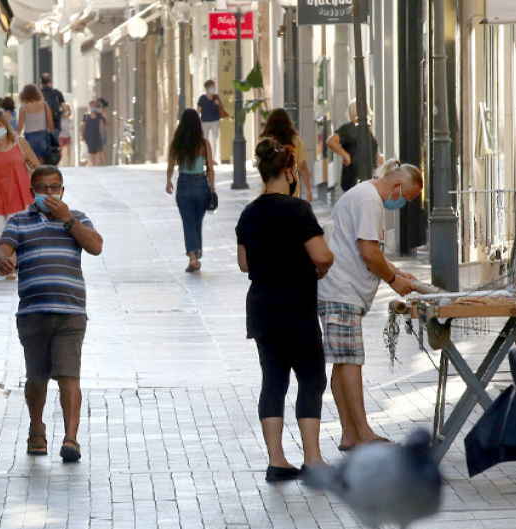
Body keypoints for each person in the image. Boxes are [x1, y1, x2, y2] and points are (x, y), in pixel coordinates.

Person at [236, 138, 334, 483]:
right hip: (296, 308)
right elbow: (322, 256)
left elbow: (244, 263)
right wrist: (317, 264)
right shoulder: (297, 210)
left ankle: (276, 460)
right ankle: (313, 458)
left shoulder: (250, 212)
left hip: (263, 310)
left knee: (273, 381)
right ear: (290, 171)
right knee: (311, 378)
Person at [0, 165, 103, 462]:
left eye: (54, 188)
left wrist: (67, 219)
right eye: (42, 188)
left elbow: (95, 246)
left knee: (69, 375)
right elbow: (1, 249)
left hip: (70, 311)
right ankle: (36, 428)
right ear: (32, 193)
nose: (49, 193)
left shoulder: (77, 218)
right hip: (33, 312)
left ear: (62, 191)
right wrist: (3, 259)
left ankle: (71, 438)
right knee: (36, 376)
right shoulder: (19, 221)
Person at [317, 160, 423, 451]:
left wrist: (397, 271)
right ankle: (362, 432)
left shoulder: (364, 195)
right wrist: (393, 280)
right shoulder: (369, 200)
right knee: (351, 360)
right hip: (342, 291)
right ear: (397, 186)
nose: (402, 203)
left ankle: (350, 433)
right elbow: (368, 252)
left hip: (341, 291)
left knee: (343, 361)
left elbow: (370, 248)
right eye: (406, 197)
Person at [0, 111, 41, 268]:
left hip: (18, 192)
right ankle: (12, 260)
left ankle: (12, 264)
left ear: (6, 126)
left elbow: (37, 164)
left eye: (0, 125)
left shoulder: (20, 143)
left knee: (15, 232)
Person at [165, 108, 215, 273]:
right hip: (201, 185)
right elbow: (209, 168)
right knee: (197, 222)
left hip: (184, 184)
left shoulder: (177, 143)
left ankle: (193, 257)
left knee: (188, 222)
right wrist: (212, 187)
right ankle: (195, 255)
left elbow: (171, 165)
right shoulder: (203, 144)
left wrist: (168, 182)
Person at [326, 100, 383, 192]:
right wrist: (345, 155)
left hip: (368, 177)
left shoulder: (365, 129)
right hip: (355, 178)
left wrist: (378, 156)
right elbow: (331, 141)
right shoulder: (349, 129)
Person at [262, 108, 314, 204]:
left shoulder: (266, 142)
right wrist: (308, 190)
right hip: (290, 187)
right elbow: (303, 167)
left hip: (270, 188)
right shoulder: (296, 141)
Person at [17, 84, 54, 164]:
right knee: (42, 158)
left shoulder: (23, 108)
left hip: (29, 136)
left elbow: (20, 126)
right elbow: (50, 122)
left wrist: (16, 137)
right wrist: (51, 132)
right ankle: (42, 174)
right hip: (42, 134)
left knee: (31, 159)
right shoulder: (44, 105)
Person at [196, 80, 226, 163]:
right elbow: (199, 109)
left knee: (214, 139)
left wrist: (218, 104)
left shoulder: (216, 97)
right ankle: (205, 157)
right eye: (211, 87)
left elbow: (221, 107)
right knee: (205, 139)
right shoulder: (202, 98)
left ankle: (212, 157)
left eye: (214, 87)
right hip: (205, 121)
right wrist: (195, 117)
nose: (213, 89)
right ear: (207, 88)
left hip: (215, 121)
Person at [39, 73, 66, 137]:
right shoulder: (57, 93)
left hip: (42, 124)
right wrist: (60, 115)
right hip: (56, 123)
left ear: (41, 83)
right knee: (55, 144)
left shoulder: (38, 93)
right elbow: (65, 108)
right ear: (51, 82)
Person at [82, 101, 107, 167]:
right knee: (91, 151)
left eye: (94, 106)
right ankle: (91, 165)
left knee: (97, 150)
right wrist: (82, 136)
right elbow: (83, 126)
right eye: (91, 106)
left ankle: (93, 165)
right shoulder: (86, 116)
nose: (93, 108)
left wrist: (103, 135)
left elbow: (101, 125)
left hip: (97, 136)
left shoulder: (99, 116)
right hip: (88, 136)